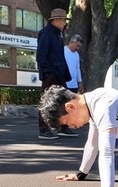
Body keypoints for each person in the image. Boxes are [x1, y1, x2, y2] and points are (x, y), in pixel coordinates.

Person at [36, 8, 77, 139]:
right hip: (52, 73)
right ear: (57, 20)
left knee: (63, 100)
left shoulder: (57, 34)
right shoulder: (46, 33)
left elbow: (58, 55)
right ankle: (44, 129)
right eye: (63, 20)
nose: (65, 23)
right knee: (47, 101)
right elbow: (41, 55)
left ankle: (63, 126)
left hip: (58, 73)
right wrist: (49, 71)